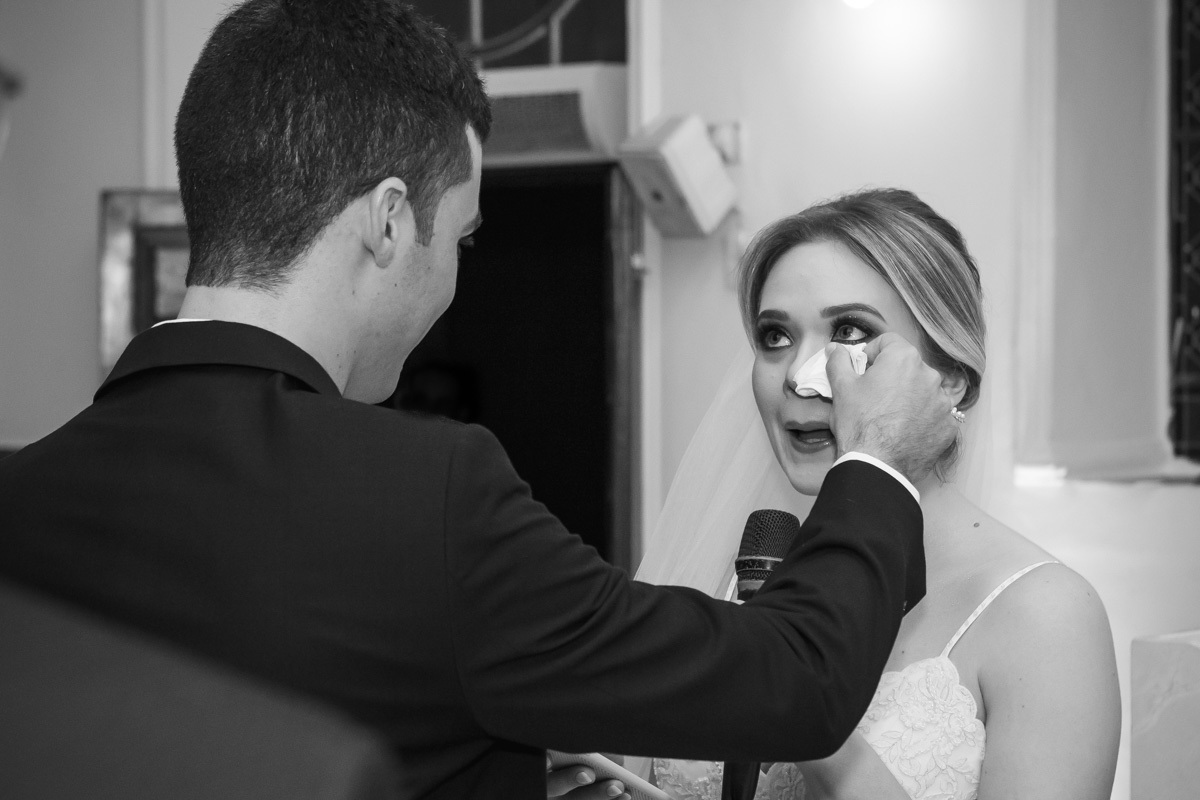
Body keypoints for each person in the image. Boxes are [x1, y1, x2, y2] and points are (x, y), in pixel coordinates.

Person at [0, 3, 959, 799]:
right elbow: (795, 682)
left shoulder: (21, 497)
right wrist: (874, 463)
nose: (455, 284)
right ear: (387, 221)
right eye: (458, 241)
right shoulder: (430, 496)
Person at [637, 189, 1122, 800]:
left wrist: (806, 711)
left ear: (949, 376)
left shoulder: (1047, 614)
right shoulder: (744, 579)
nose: (798, 375)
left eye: (849, 331)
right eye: (775, 336)